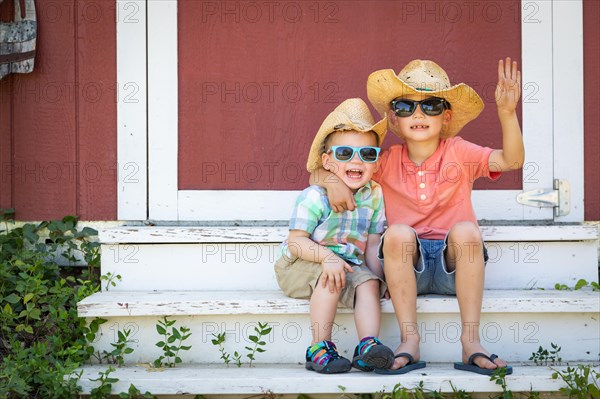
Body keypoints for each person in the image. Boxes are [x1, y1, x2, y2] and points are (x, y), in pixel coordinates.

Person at [310, 58, 523, 375]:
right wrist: (330, 181)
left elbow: (511, 160)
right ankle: (409, 340)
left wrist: (506, 113)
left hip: (455, 266)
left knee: (466, 230)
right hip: (405, 266)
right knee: (396, 233)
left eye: (431, 106)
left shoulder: (459, 152)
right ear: (394, 119)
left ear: (446, 116)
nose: (418, 114)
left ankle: (471, 342)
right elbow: (319, 171)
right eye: (406, 106)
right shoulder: (383, 161)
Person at [274, 98, 395, 374]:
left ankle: (367, 346)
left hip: (345, 262)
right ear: (326, 161)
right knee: (329, 275)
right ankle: (319, 346)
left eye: (367, 154)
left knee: (368, 283)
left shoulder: (374, 195)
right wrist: (327, 258)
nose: (356, 160)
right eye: (344, 153)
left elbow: (373, 243)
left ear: (376, 162)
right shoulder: (315, 196)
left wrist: (381, 277)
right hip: (301, 262)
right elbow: (296, 241)